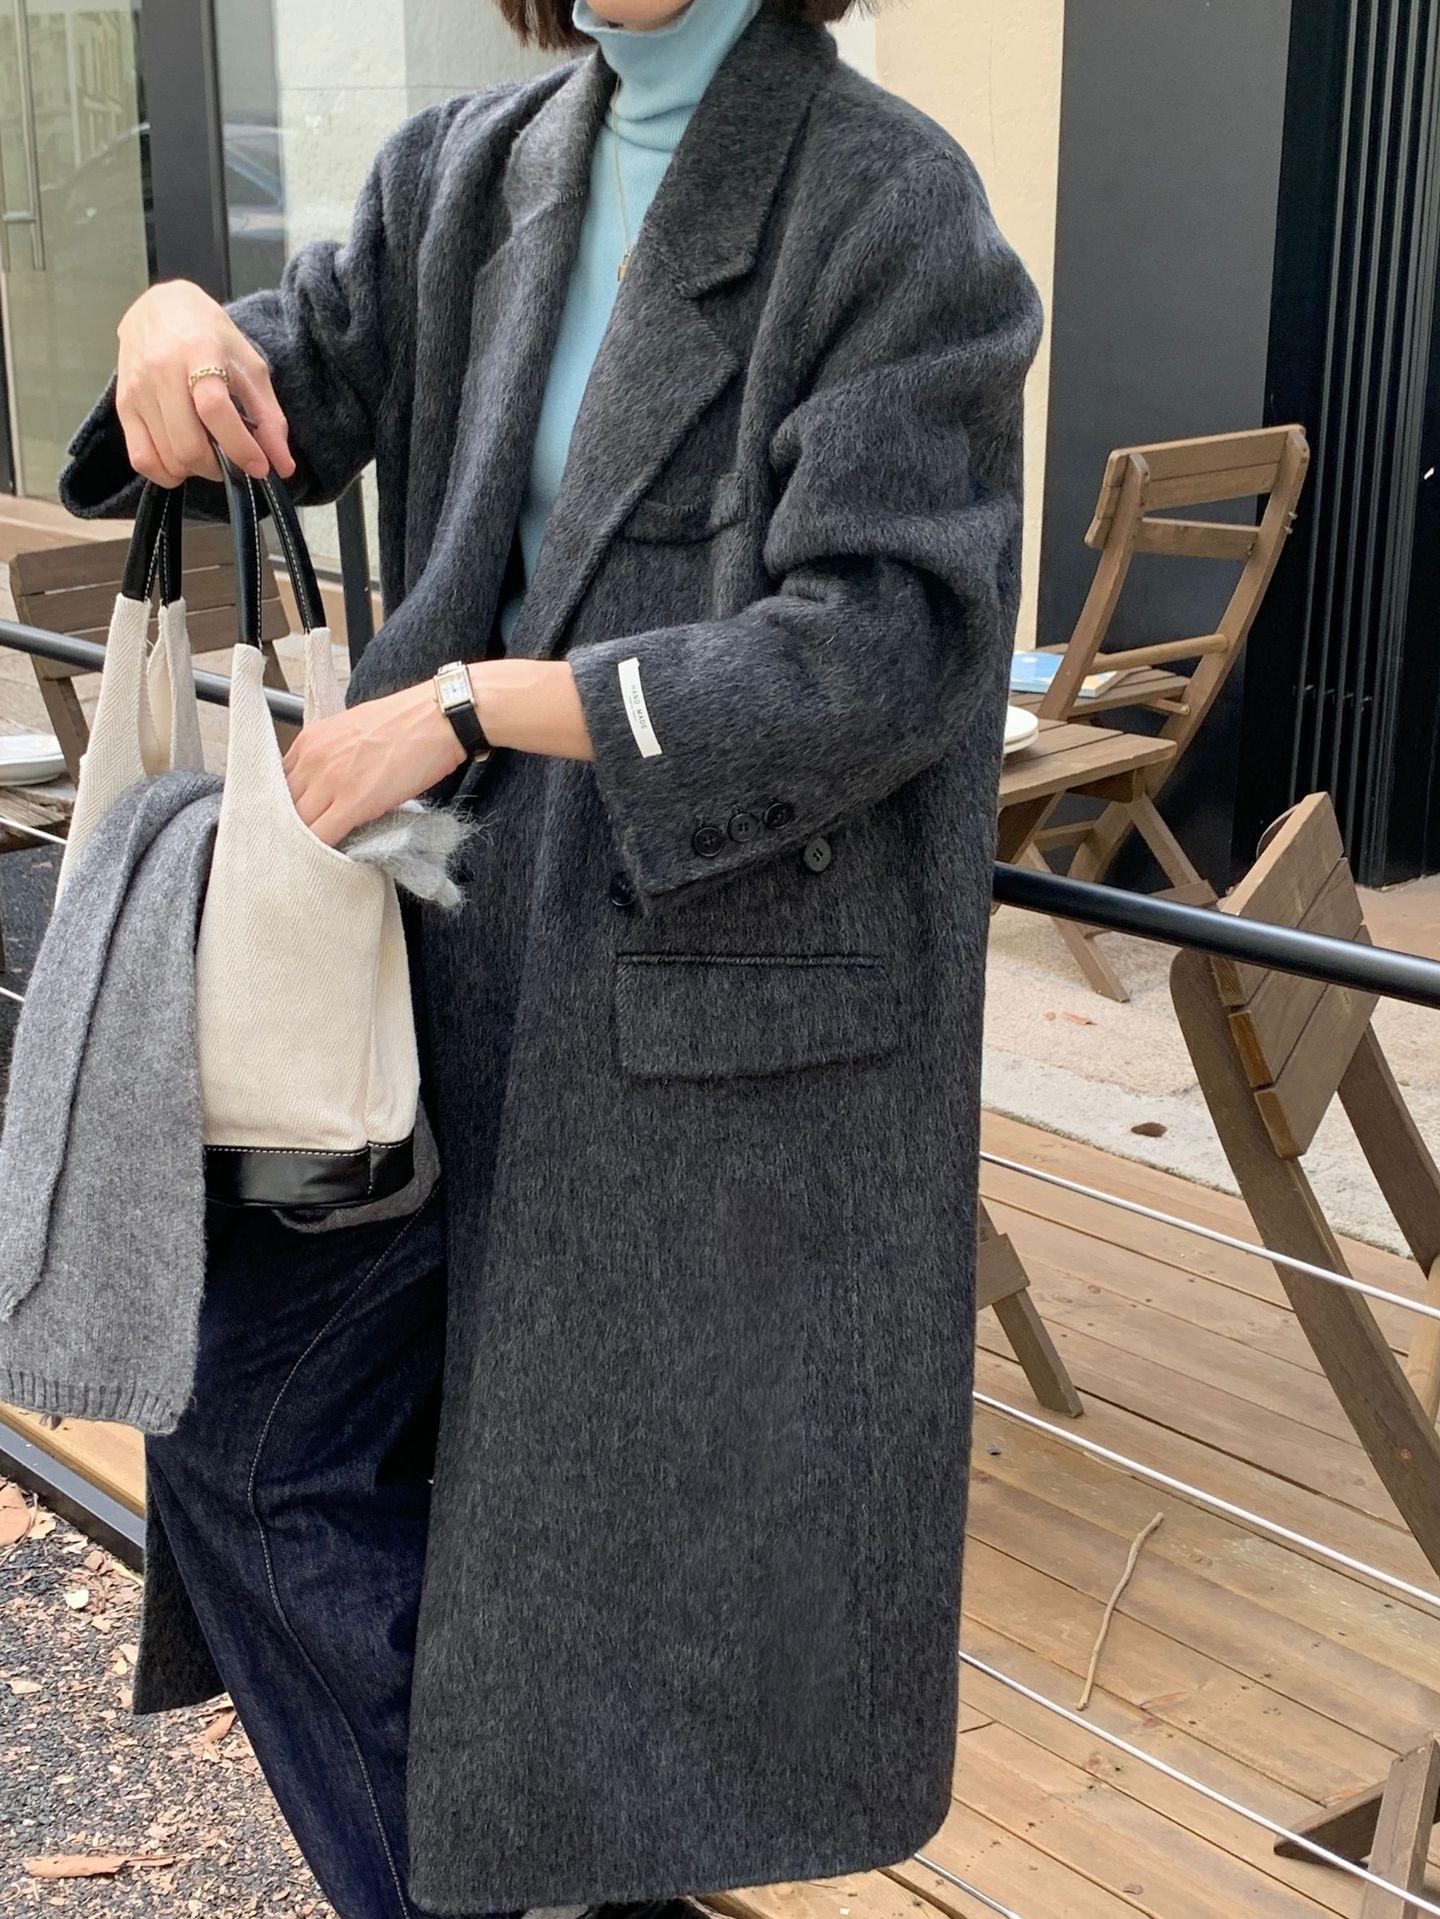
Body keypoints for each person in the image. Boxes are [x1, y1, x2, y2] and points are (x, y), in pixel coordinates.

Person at [58, 1, 1044, 1916]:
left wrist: (475, 701)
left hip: (695, 1022)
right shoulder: (472, 167)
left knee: (604, 1595)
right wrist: (171, 324)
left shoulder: (889, 204)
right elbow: (277, 389)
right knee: (245, 1447)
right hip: (419, 978)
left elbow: (892, 642)